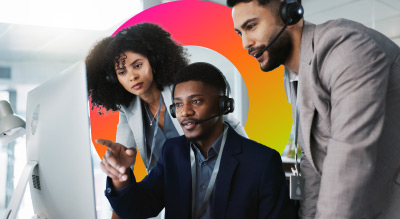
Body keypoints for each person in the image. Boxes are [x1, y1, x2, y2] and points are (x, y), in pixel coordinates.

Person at [228, 0, 400, 218]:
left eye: (251, 26)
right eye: (239, 33)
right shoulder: (291, 77)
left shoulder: (343, 47)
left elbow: (349, 157)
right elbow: (311, 161)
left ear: (289, 14)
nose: (244, 43)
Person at [97, 62, 296, 218]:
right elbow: (139, 208)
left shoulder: (261, 161)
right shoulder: (172, 151)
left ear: (223, 105)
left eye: (196, 101)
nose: (185, 112)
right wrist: (119, 177)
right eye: (178, 105)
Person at [86, 23, 247, 173]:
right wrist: (117, 166)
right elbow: (123, 155)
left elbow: (229, 123)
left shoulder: (184, 90)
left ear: (153, 63)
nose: (132, 76)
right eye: (122, 72)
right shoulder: (128, 110)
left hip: (215, 176)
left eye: (137, 65)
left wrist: (251, 163)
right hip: (175, 192)